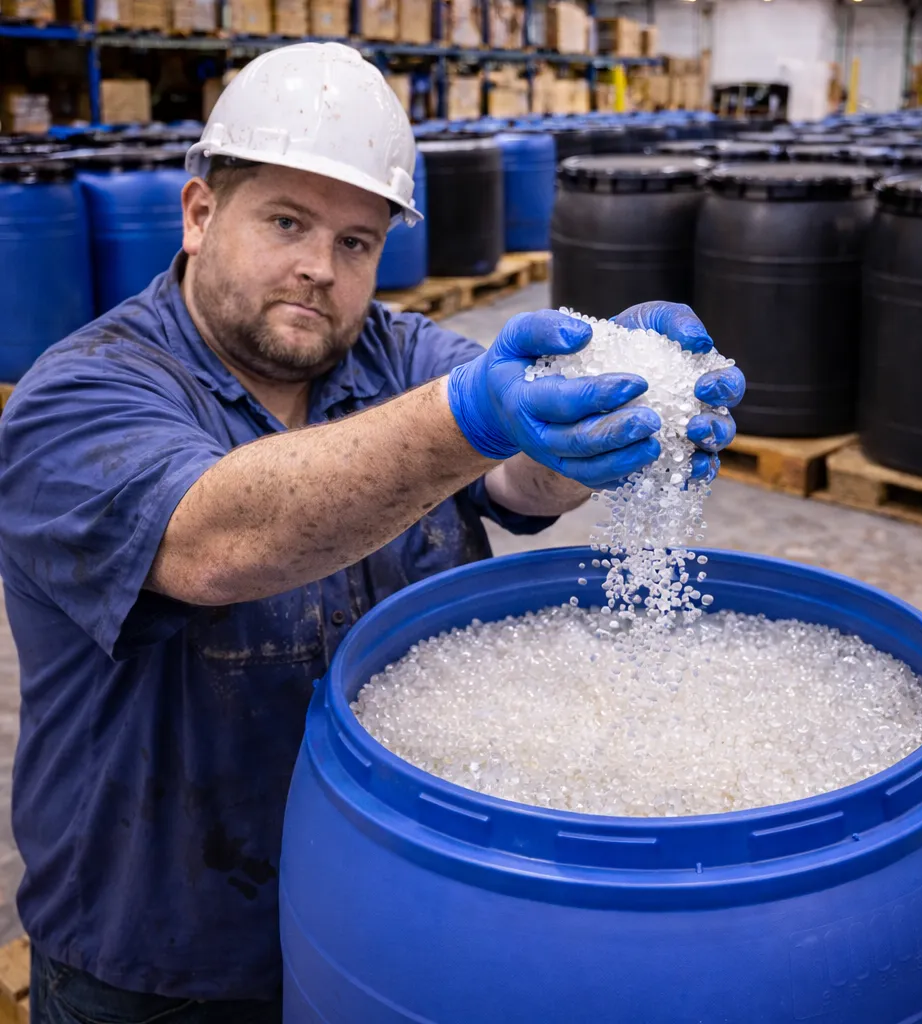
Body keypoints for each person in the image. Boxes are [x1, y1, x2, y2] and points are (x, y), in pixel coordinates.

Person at [0, 42, 744, 1023]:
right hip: (164, 952)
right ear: (197, 215)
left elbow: (517, 477)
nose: (319, 267)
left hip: (393, 915)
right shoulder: (82, 396)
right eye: (286, 222)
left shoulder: (394, 352)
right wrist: (462, 419)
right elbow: (215, 539)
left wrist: (601, 427)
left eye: (356, 242)